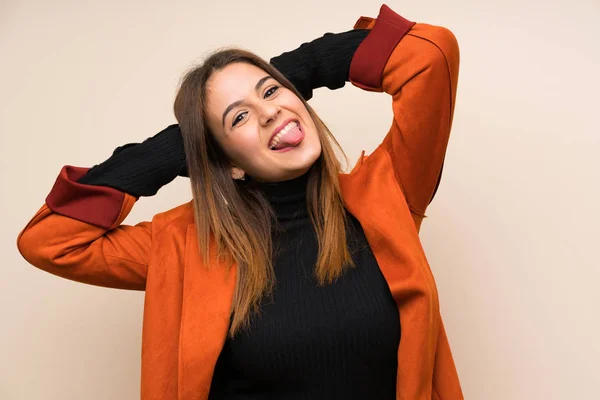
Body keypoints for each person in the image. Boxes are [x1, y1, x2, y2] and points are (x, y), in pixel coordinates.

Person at [16, 4, 461, 400]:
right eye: (239, 117)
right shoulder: (185, 245)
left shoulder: (388, 192)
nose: (269, 111)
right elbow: (50, 240)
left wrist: (295, 75)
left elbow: (429, 53)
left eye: (271, 92)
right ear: (228, 163)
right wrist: (188, 145)